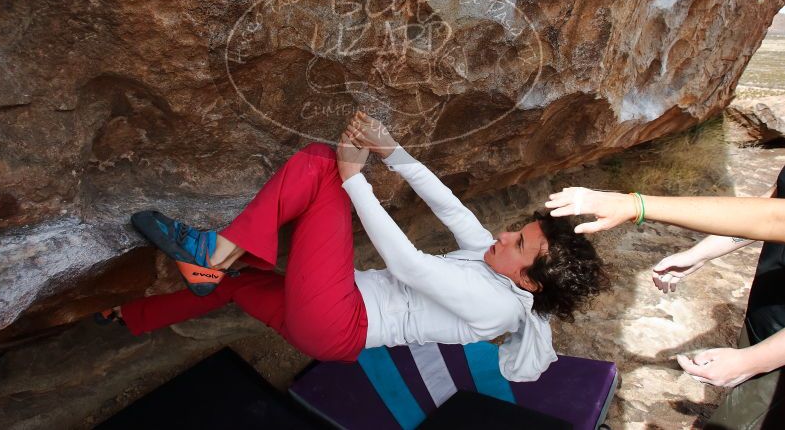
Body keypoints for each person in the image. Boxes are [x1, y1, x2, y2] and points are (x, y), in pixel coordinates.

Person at [101, 111, 608, 381]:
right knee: (238, 285)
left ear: (527, 280)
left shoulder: (497, 305)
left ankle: (211, 254)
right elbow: (451, 207)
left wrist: (353, 178)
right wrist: (393, 152)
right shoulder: (497, 268)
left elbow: (409, 267)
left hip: (340, 319)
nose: (504, 236)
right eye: (517, 231)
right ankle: (134, 315)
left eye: (518, 243)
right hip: (330, 329)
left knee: (321, 164)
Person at [545, 180, 785, 428]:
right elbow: (768, 207)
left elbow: (776, 219)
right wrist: (702, 252)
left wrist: (753, 360)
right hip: (766, 314)